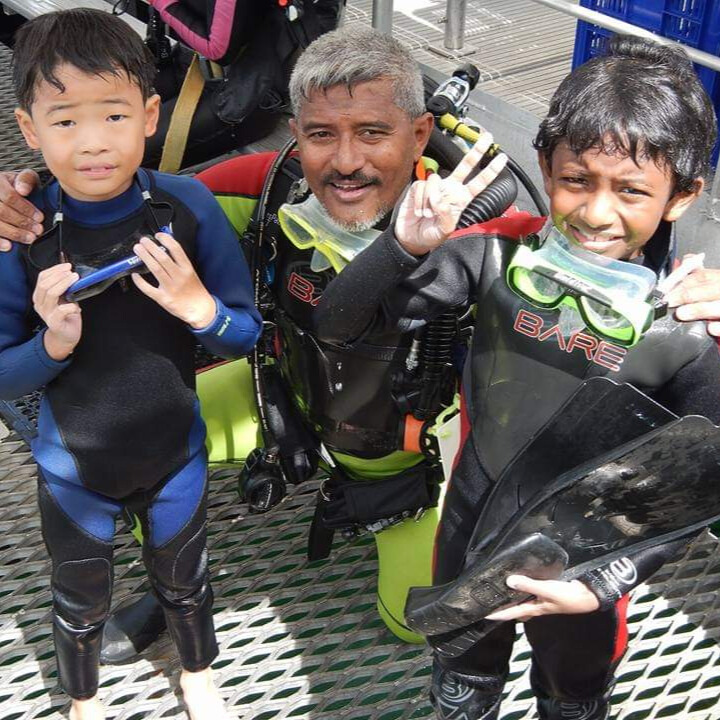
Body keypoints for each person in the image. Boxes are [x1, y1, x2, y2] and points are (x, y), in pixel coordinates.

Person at [0, 25, 514, 661]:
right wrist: (21, 195)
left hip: (403, 458)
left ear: (418, 133)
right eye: (322, 134)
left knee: (415, 622)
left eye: (374, 134)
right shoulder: (263, 185)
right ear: (296, 135)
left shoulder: (493, 233)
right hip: (278, 399)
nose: (347, 161)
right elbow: (117, 194)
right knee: (130, 440)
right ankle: (173, 582)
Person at [313, 36, 720, 720]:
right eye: (575, 180)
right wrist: (399, 246)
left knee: (573, 691)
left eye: (631, 191)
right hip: (470, 532)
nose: (596, 213)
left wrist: (604, 583)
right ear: (544, 165)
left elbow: (704, 479)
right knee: (462, 681)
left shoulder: (682, 330)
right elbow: (337, 325)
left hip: (587, 564)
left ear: (682, 196)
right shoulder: (492, 263)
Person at [0, 9, 261, 720]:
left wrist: (198, 307)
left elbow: (245, 335)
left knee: (187, 583)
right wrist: (49, 344)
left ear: (149, 115)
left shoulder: (186, 207)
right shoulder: (22, 232)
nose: (92, 144)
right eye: (64, 122)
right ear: (27, 129)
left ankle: (199, 678)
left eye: (113, 115)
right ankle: (84, 701)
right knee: (78, 597)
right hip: (73, 467)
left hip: (174, 452)